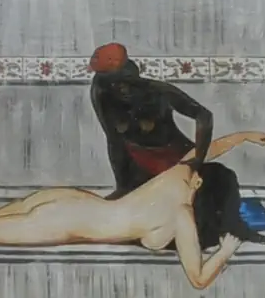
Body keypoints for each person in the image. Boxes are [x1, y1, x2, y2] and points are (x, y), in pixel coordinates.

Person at [0, 135, 265, 289]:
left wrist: (243, 137)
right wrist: (225, 251)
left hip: (69, 201)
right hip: (67, 222)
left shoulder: (180, 175)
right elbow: (198, 278)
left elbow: (204, 149)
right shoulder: (181, 213)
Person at [86, 43, 211, 196]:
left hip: (176, 162)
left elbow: (204, 116)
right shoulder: (101, 94)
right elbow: (114, 140)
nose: (120, 89)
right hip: (139, 169)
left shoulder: (158, 92)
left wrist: (198, 158)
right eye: (113, 84)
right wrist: (123, 187)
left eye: (124, 84)